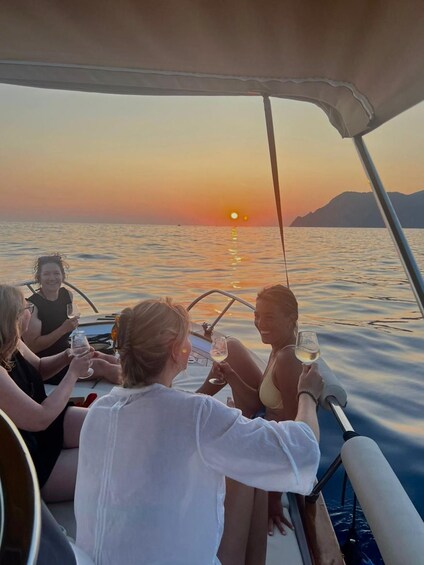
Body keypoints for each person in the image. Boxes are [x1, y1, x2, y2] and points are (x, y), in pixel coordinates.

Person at [75, 297, 323, 565]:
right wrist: (307, 394)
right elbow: (304, 453)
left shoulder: (99, 411)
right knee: (248, 472)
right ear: (175, 350)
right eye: (186, 339)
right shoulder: (198, 415)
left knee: (243, 465)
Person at [196, 284, 307, 563]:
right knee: (231, 347)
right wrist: (231, 375)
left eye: (269, 317)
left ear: (291, 318)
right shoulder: (277, 349)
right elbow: (264, 401)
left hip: (270, 447)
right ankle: (199, 400)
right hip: (261, 422)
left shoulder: (287, 358)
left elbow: (294, 433)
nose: (260, 324)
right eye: (257, 315)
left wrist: (271, 499)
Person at [0, 284, 93, 502]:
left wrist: (67, 356)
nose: (30, 314)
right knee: (107, 458)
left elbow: (40, 368)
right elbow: (40, 418)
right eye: (27, 309)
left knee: (106, 426)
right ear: (14, 318)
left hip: (44, 431)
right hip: (26, 457)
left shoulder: (14, 343)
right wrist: (73, 374)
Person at [23, 254, 121, 385]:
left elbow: (67, 331)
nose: (52, 278)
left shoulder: (67, 295)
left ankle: (147, 372)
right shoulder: (32, 306)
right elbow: (32, 347)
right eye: (46, 274)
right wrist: (63, 329)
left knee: (108, 357)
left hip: (67, 353)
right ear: (39, 277)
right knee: (102, 365)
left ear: (63, 276)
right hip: (47, 366)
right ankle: (143, 385)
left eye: (56, 273)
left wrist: (80, 345)